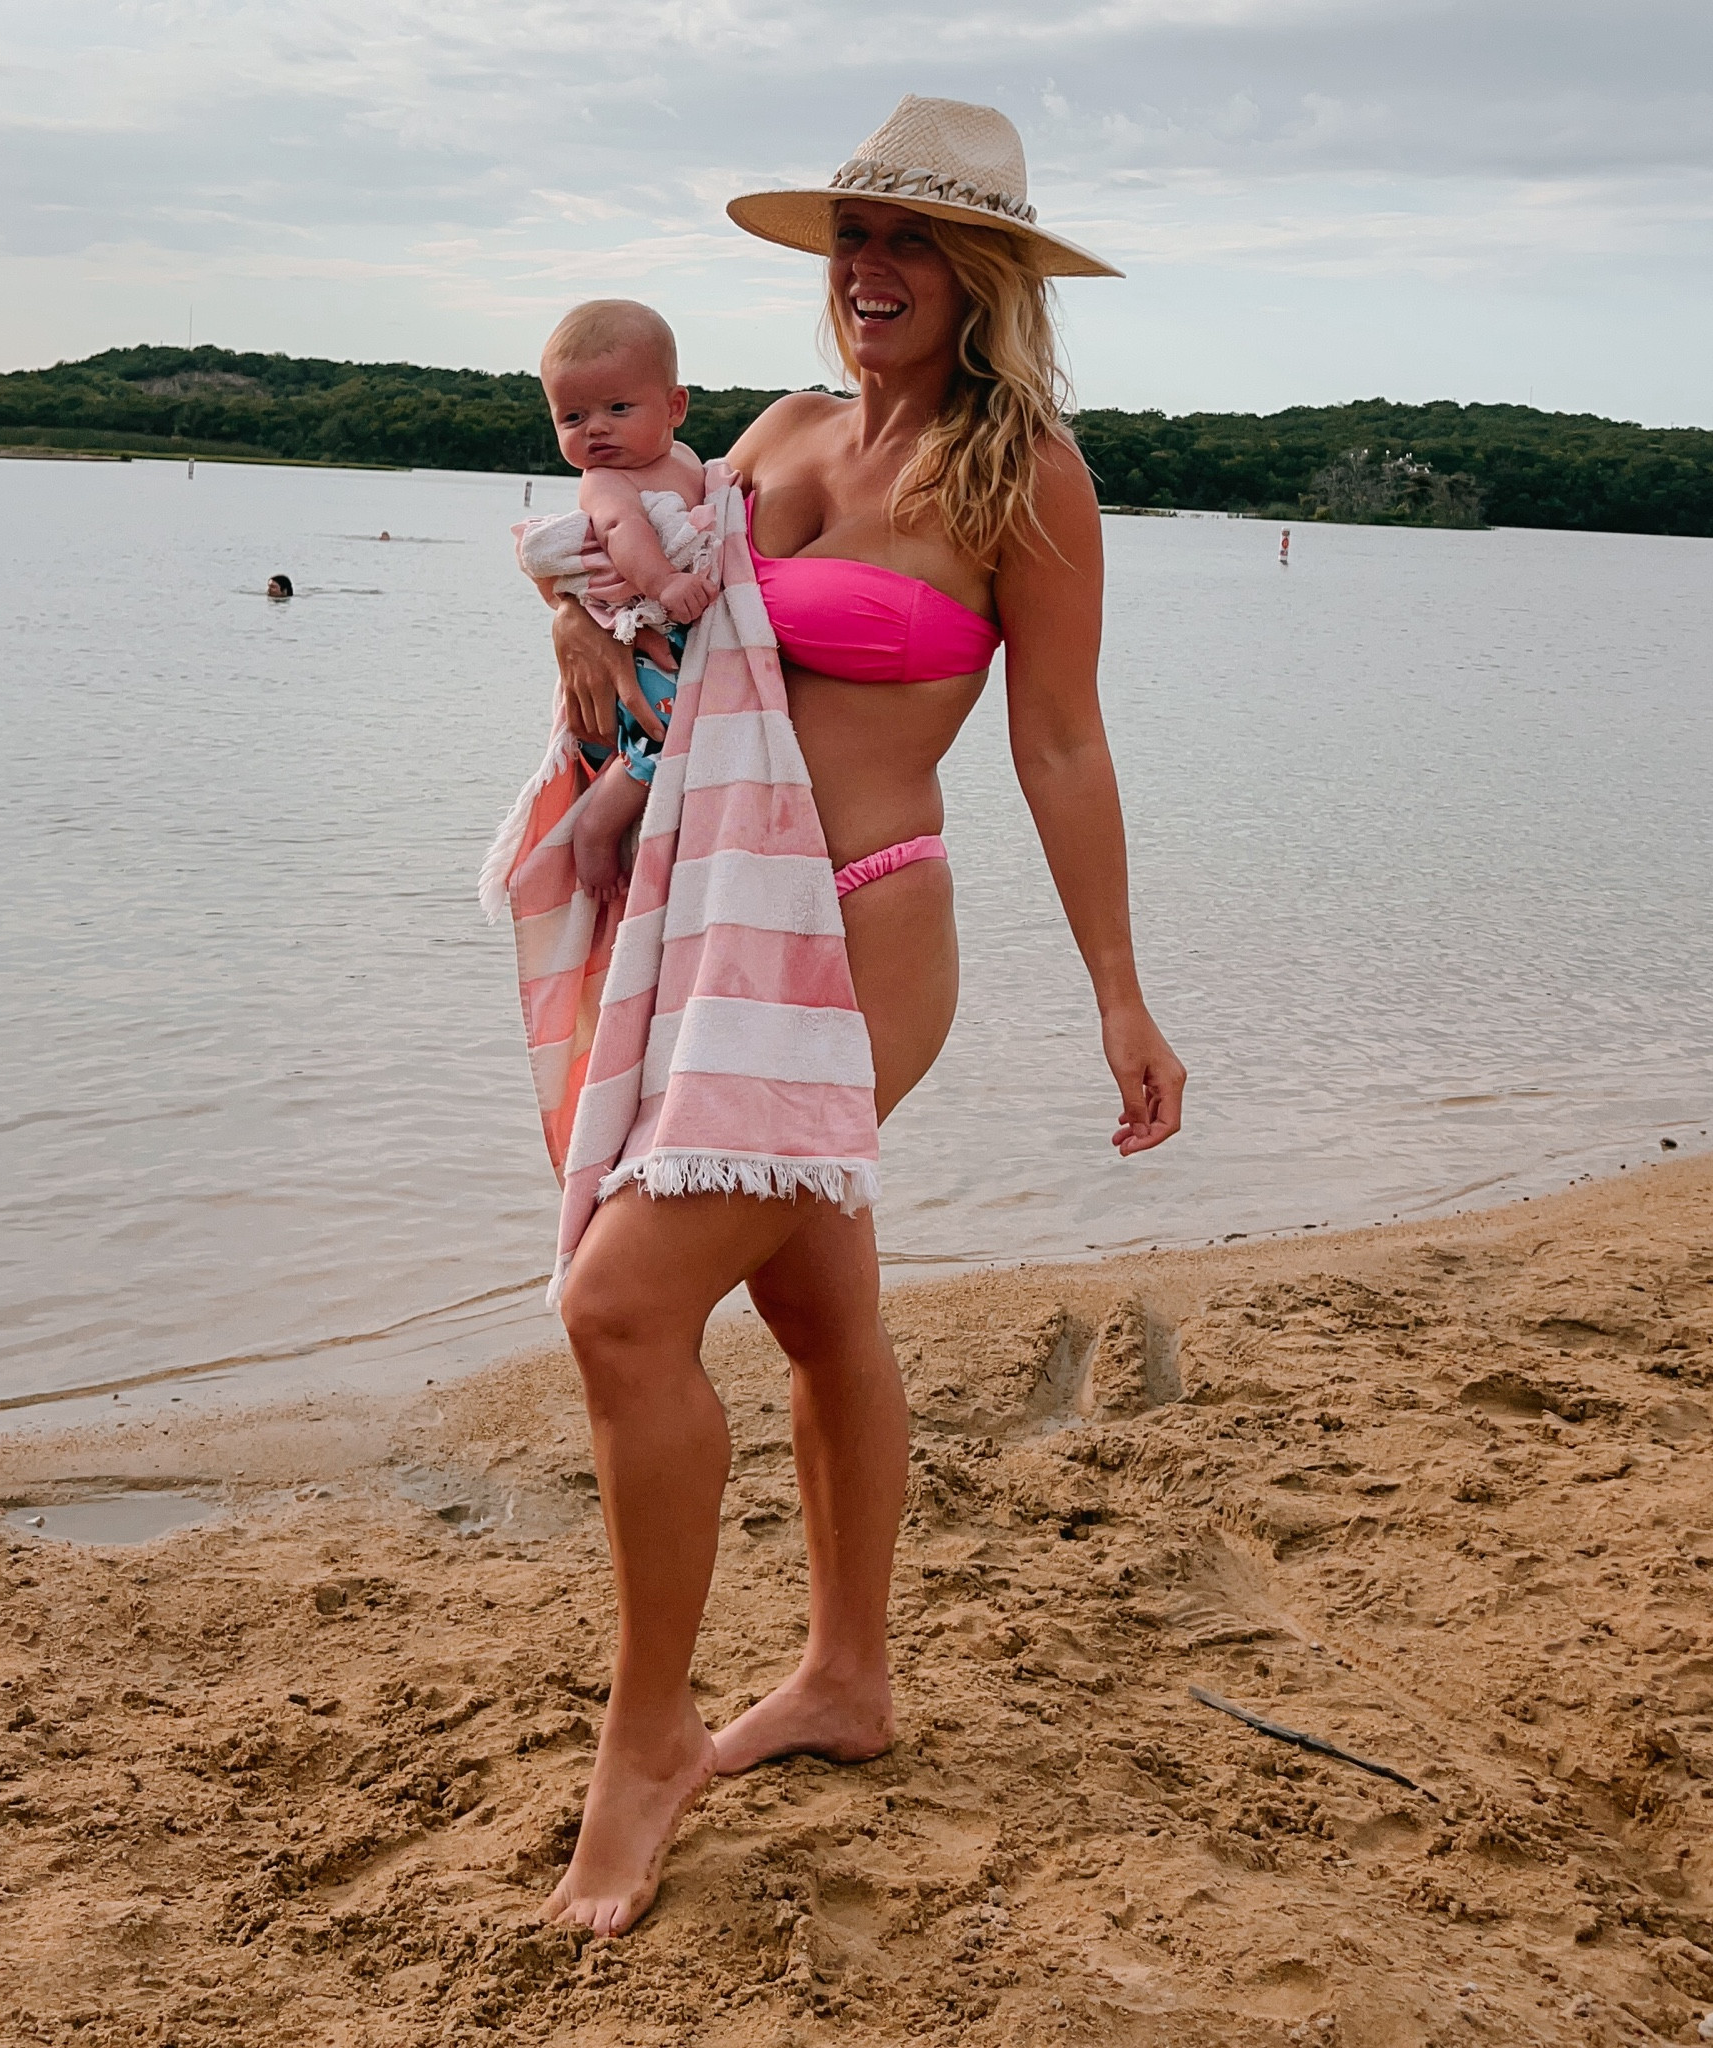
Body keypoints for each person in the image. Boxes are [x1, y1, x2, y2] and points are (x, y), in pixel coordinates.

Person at [534, 95, 1185, 1937]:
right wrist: (574, 633)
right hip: (712, 915)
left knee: (620, 1302)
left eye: (909, 245)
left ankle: (644, 1736)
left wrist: (1119, 996)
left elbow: (1058, 736)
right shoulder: (780, 431)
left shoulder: (1021, 473)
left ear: (979, 274)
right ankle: (842, 1676)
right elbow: (657, 598)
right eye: (852, 242)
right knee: (820, 1312)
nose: (869, 274)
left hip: (863, 926)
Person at [536, 300, 718, 902]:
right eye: (573, 416)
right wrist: (665, 581)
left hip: (665, 643)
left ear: (675, 407)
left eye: (618, 408)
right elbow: (622, 533)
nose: (595, 429)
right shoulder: (607, 480)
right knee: (666, 729)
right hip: (639, 644)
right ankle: (596, 826)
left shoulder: (686, 461)